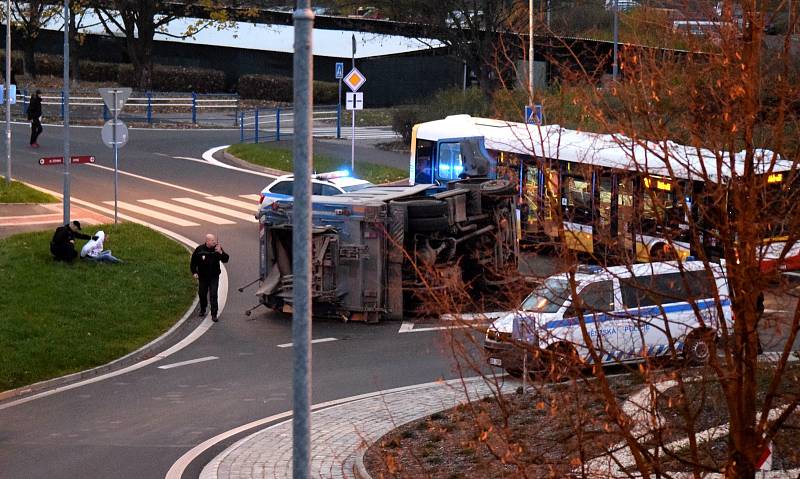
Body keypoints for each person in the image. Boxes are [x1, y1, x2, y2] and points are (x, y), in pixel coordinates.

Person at [190, 234, 229, 322]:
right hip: (203, 277)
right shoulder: (200, 250)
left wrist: (221, 252)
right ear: (207, 241)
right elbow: (193, 262)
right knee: (202, 293)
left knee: (213, 294)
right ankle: (203, 309)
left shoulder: (217, 249)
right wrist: (194, 272)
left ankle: (214, 314)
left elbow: (226, 259)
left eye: (214, 240)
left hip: (214, 276)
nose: (214, 242)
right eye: (212, 240)